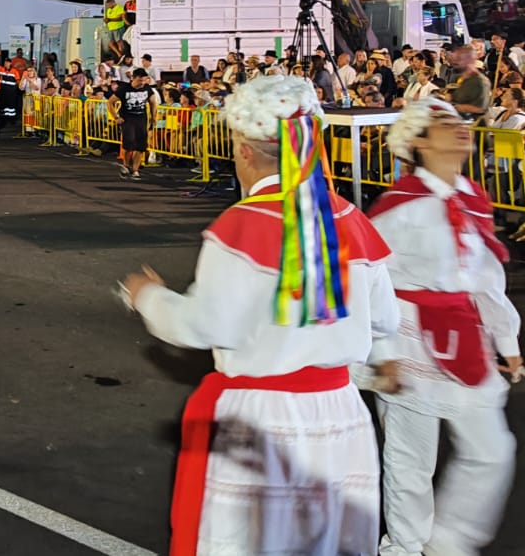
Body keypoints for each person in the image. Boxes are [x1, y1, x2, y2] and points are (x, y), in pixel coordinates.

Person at [118, 75, 400, 556]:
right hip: (341, 414)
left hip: (262, 419)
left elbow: (200, 325)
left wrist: (147, 295)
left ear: (245, 151)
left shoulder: (243, 224)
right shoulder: (351, 219)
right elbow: (384, 320)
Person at [368, 99, 521, 556]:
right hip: (409, 336)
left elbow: (487, 274)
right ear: (417, 142)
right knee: (412, 459)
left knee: (493, 450)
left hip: (464, 336)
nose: (460, 129)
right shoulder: (398, 205)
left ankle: (449, 543)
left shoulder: (472, 195)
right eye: (444, 123)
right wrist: (384, 352)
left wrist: (505, 335)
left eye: (461, 121)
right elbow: (371, 281)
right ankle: (405, 546)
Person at [108, 69, 155, 180]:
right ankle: (125, 165)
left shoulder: (147, 89)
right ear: (133, 78)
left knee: (140, 145)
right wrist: (116, 117)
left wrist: (153, 117)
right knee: (129, 143)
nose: (142, 83)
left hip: (141, 119)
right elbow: (110, 102)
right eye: (139, 80)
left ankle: (135, 170)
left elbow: (153, 102)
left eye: (143, 80)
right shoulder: (124, 89)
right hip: (127, 119)